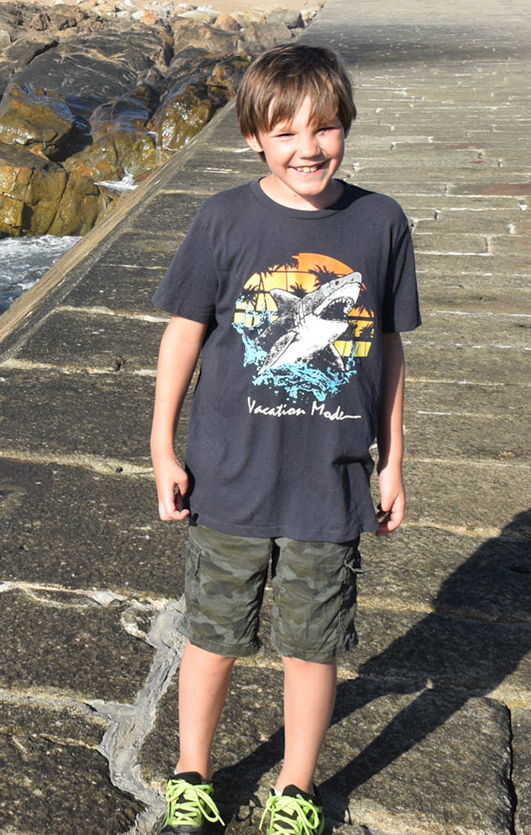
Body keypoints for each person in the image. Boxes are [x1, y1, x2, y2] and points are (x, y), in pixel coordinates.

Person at [149, 43, 420, 835]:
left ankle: (295, 789)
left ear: (347, 127)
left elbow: (389, 349)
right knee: (212, 637)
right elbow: (184, 333)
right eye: (287, 132)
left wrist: (394, 462)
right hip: (230, 476)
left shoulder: (381, 222)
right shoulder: (223, 218)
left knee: (313, 646)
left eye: (325, 128)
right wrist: (163, 447)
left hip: (330, 483)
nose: (309, 147)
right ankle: (192, 773)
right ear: (253, 138)